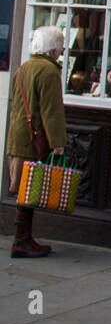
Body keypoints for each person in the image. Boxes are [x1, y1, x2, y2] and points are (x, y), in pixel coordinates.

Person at [5, 26, 67, 258]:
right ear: (53, 50)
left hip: (18, 136)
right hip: (35, 139)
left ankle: (23, 238)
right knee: (30, 189)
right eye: (60, 47)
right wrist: (58, 142)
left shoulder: (23, 68)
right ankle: (21, 241)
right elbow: (52, 112)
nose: (61, 52)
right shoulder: (49, 72)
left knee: (24, 188)